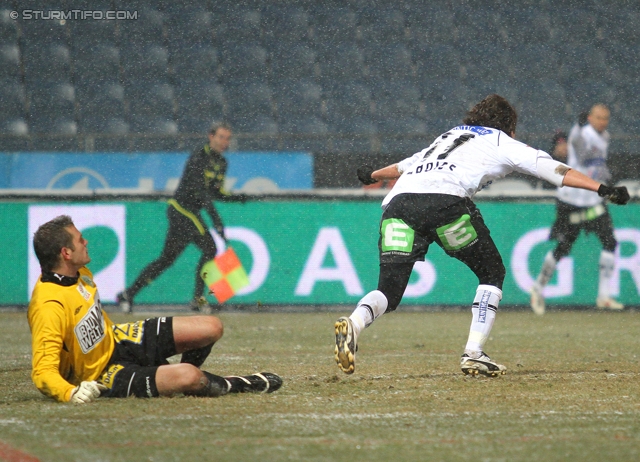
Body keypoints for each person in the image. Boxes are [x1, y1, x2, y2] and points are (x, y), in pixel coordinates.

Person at [334, 94, 629, 378]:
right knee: (491, 273)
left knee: (388, 290)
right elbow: (555, 170)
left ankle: (354, 324)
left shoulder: (449, 135)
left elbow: (405, 166)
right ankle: (473, 352)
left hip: (399, 205)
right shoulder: (501, 140)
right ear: (509, 127)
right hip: (444, 203)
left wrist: (373, 175)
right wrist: (602, 189)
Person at [28, 215, 281, 403]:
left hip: (118, 339)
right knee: (189, 376)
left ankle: (175, 378)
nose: (86, 241)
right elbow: (43, 372)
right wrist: (71, 393)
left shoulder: (80, 273)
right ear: (66, 253)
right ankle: (229, 384)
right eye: (80, 239)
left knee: (211, 327)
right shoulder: (49, 306)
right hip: (103, 375)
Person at [117, 121, 246, 313]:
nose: (224, 142)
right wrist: (217, 222)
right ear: (211, 137)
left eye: (227, 138)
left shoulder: (222, 163)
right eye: (220, 137)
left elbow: (215, 192)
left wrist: (238, 198)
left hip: (189, 212)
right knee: (210, 248)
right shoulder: (198, 157)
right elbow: (202, 194)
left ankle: (127, 294)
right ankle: (198, 300)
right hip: (181, 209)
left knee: (167, 259)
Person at [530, 104, 624, 315]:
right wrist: (576, 128)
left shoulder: (605, 136)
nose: (603, 122)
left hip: (592, 201)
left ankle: (604, 296)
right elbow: (577, 146)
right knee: (564, 247)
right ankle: (537, 288)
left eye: (606, 118)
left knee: (610, 241)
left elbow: (597, 166)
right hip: (570, 200)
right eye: (599, 118)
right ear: (590, 118)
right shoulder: (581, 132)